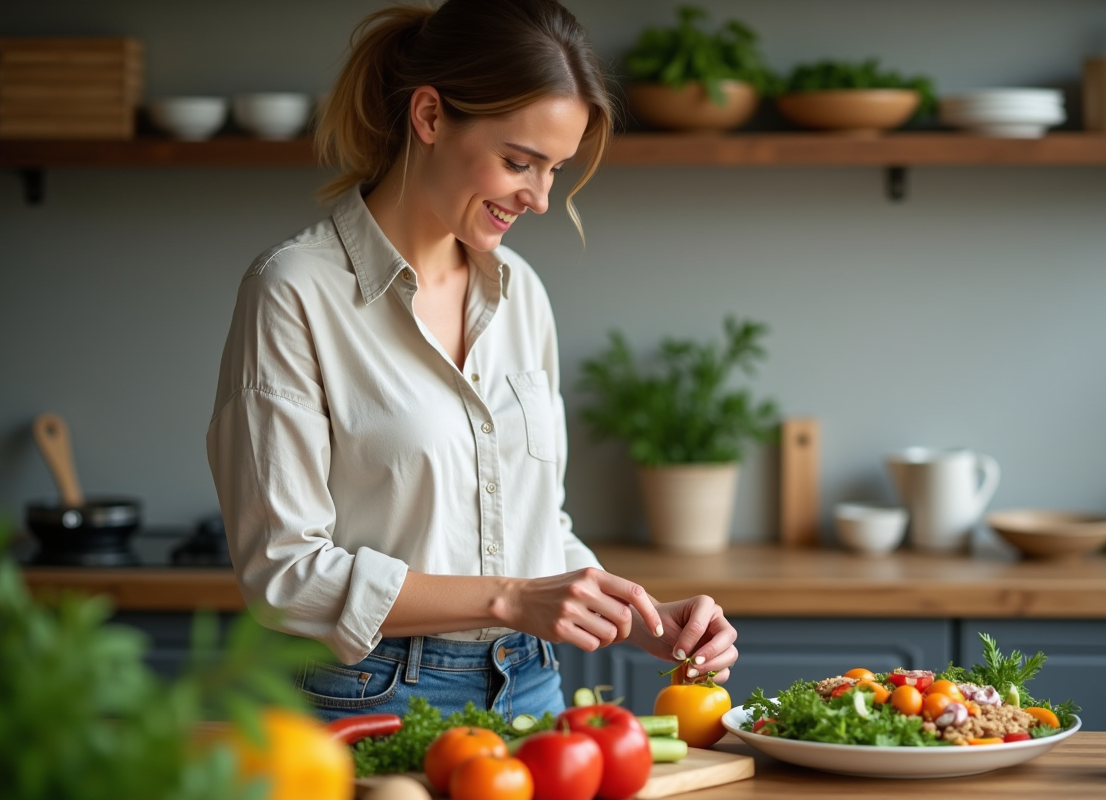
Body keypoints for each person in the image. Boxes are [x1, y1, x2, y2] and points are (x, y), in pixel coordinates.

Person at [206, 0, 737, 724]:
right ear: (429, 116)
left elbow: (534, 527)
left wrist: (642, 617)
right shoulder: (294, 292)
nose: (542, 198)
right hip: (368, 694)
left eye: (555, 169)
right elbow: (285, 574)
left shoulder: (520, 291)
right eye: (519, 162)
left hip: (532, 687)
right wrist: (511, 598)